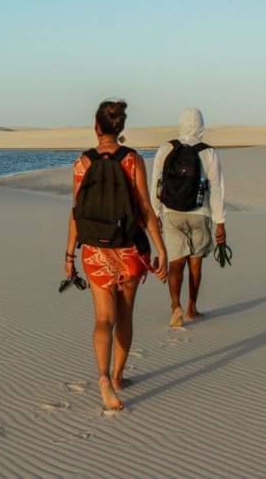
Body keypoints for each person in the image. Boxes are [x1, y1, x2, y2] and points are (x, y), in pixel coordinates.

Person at [65, 99, 168, 411]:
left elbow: (75, 212)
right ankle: (120, 375)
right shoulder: (132, 160)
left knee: (102, 318)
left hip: (95, 250)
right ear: (119, 128)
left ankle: (103, 378)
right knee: (124, 315)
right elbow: (146, 209)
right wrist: (160, 249)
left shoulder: (82, 163)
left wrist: (70, 255)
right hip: (130, 248)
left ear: (96, 127)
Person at [150, 107, 227, 327]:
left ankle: (176, 306)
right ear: (201, 126)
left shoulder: (166, 149)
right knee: (195, 264)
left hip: (172, 212)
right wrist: (220, 223)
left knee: (176, 263)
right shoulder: (208, 152)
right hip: (199, 213)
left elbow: (156, 182)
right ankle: (192, 307)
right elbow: (217, 188)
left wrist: (156, 213)